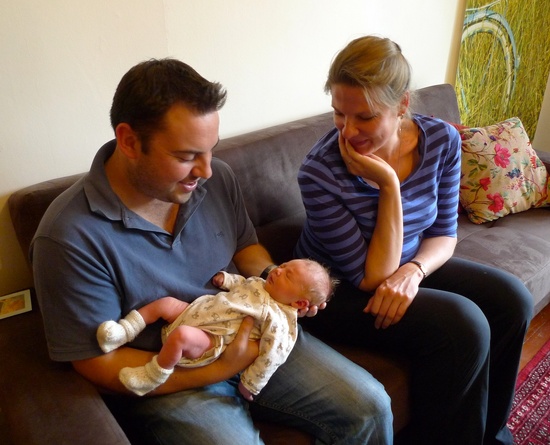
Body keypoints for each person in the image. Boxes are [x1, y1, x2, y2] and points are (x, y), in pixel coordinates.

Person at [31, 57, 393, 444]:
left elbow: (246, 247)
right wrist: (218, 369)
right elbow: (96, 362)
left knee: (370, 407)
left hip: (254, 332)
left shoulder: (217, 178)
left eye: (210, 151)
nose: (205, 170)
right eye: (186, 156)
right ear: (130, 141)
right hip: (169, 371)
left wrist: (277, 283)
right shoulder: (69, 236)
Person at [295, 35, 534, 445]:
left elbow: (443, 233)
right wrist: (389, 184)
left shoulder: (440, 140)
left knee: (512, 300)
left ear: (402, 104)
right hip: (333, 291)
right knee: (463, 325)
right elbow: (372, 278)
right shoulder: (320, 172)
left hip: (404, 262)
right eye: (338, 113)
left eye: (365, 117)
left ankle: (492, 434)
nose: (348, 131)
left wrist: (414, 271)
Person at [96, 259, 336, 400]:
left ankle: (153, 375)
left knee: (182, 336)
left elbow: (274, 355)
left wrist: (251, 384)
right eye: (283, 265)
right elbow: (242, 283)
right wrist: (226, 279)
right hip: (197, 311)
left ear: (300, 303)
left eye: (288, 275)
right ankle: (124, 330)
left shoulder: (280, 321)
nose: (278, 270)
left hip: (211, 339)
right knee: (165, 304)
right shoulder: (261, 284)